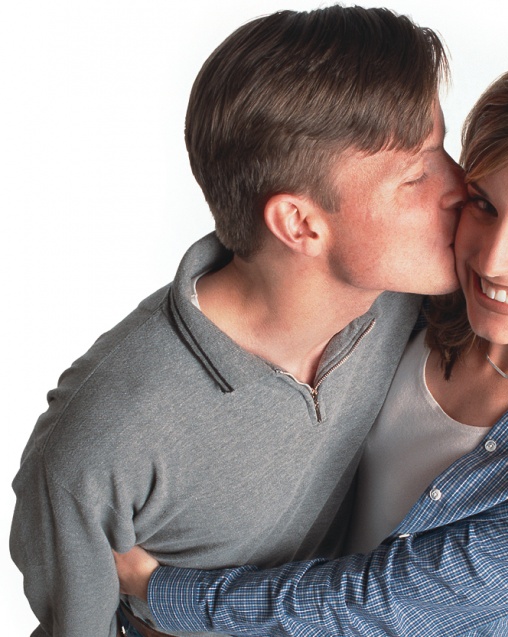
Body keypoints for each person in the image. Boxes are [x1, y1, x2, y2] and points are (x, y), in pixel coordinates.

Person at [114, 43, 508, 636]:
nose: (494, 260)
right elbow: (268, 288)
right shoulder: (412, 295)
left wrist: (159, 592)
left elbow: (380, 604)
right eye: (483, 203)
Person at [9, 7, 466, 637]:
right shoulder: (101, 443)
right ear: (300, 224)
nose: (461, 187)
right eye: (416, 175)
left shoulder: (402, 299)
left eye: (444, 148)